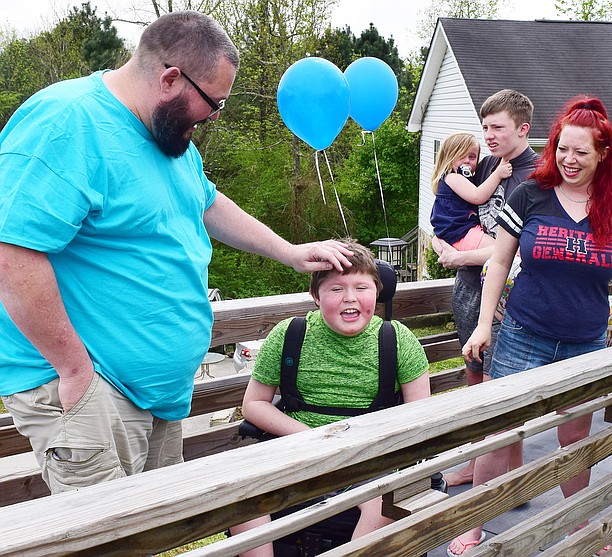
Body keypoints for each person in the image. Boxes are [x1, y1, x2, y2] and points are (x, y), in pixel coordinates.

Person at [0, 10, 352, 495]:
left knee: (153, 532)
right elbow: (12, 255)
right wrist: (75, 371)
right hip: (92, 391)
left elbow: (205, 201)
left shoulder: (168, 137)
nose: (213, 115)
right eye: (215, 102)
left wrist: (289, 252)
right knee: (110, 542)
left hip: (156, 397)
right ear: (170, 79)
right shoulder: (66, 124)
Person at [447, 96, 612, 556]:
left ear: (602, 155)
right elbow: (498, 262)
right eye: (562, 149)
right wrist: (482, 328)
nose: (569, 160)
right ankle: (474, 521)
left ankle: (577, 524)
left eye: (581, 152)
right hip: (521, 336)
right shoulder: (530, 194)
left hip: (585, 342)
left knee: (574, 437)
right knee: (500, 432)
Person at [230, 240, 430, 556]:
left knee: (384, 505)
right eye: (336, 289)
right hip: (297, 450)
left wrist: (366, 449)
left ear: (377, 292)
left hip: (369, 459)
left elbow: (420, 418)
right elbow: (253, 404)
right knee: (242, 497)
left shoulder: (397, 341)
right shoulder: (289, 334)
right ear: (316, 295)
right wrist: (313, 437)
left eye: (361, 287)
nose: (350, 298)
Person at [433, 89, 539, 487]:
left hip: (505, 299)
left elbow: (513, 252)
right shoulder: (487, 164)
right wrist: (439, 243)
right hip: (468, 292)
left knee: (503, 390)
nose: (489, 135)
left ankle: (508, 475)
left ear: (522, 128)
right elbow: (449, 207)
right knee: (474, 378)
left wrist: (458, 258)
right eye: (485, 127)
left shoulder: (534, 176)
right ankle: (478, 466)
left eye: (498, 127)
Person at [430, 132, 513, 251]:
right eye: (461, 156)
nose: (467, 161)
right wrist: (498, 174)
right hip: (460, 233)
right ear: (448, 158)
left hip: (464, 231)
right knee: (504, 252)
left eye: (472, 157)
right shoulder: (452, 177)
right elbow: (477, 196)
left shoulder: (466, 179)